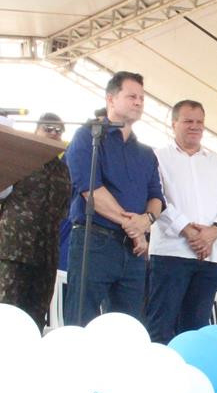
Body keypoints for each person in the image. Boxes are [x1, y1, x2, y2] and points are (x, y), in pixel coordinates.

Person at [64, 71, 165, 326]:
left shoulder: (146, 154)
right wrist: (134, 228)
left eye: (142, 98)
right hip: (95, 241)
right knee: (81, 321)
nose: (138, 102)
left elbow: (157, 198)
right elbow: (91, 190)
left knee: (128, 326)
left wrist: (146, 220)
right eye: (131, 96)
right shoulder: (88, 136)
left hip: (133, 252)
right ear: (111, 99)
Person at [146, 100, 217, 344]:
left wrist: (214, 231)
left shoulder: (216, 162)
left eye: (199, 122)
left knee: (196, 330)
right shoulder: (157, 157)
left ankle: (190, 377)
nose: (195, 127)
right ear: (174, 123)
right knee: (161, 325)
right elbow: (157, 197)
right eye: (188, 121)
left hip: (209, 256)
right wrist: (186, 229)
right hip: (171, 253)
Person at [0, 113, 72, 331]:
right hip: (14, 250)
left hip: (45, 254)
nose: (54, 134)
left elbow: (64, 210)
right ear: (36, 130)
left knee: (36, 318)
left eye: (59, 131)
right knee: (8, 313)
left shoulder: (63, 169)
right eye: (48, 129)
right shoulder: (20, 159)